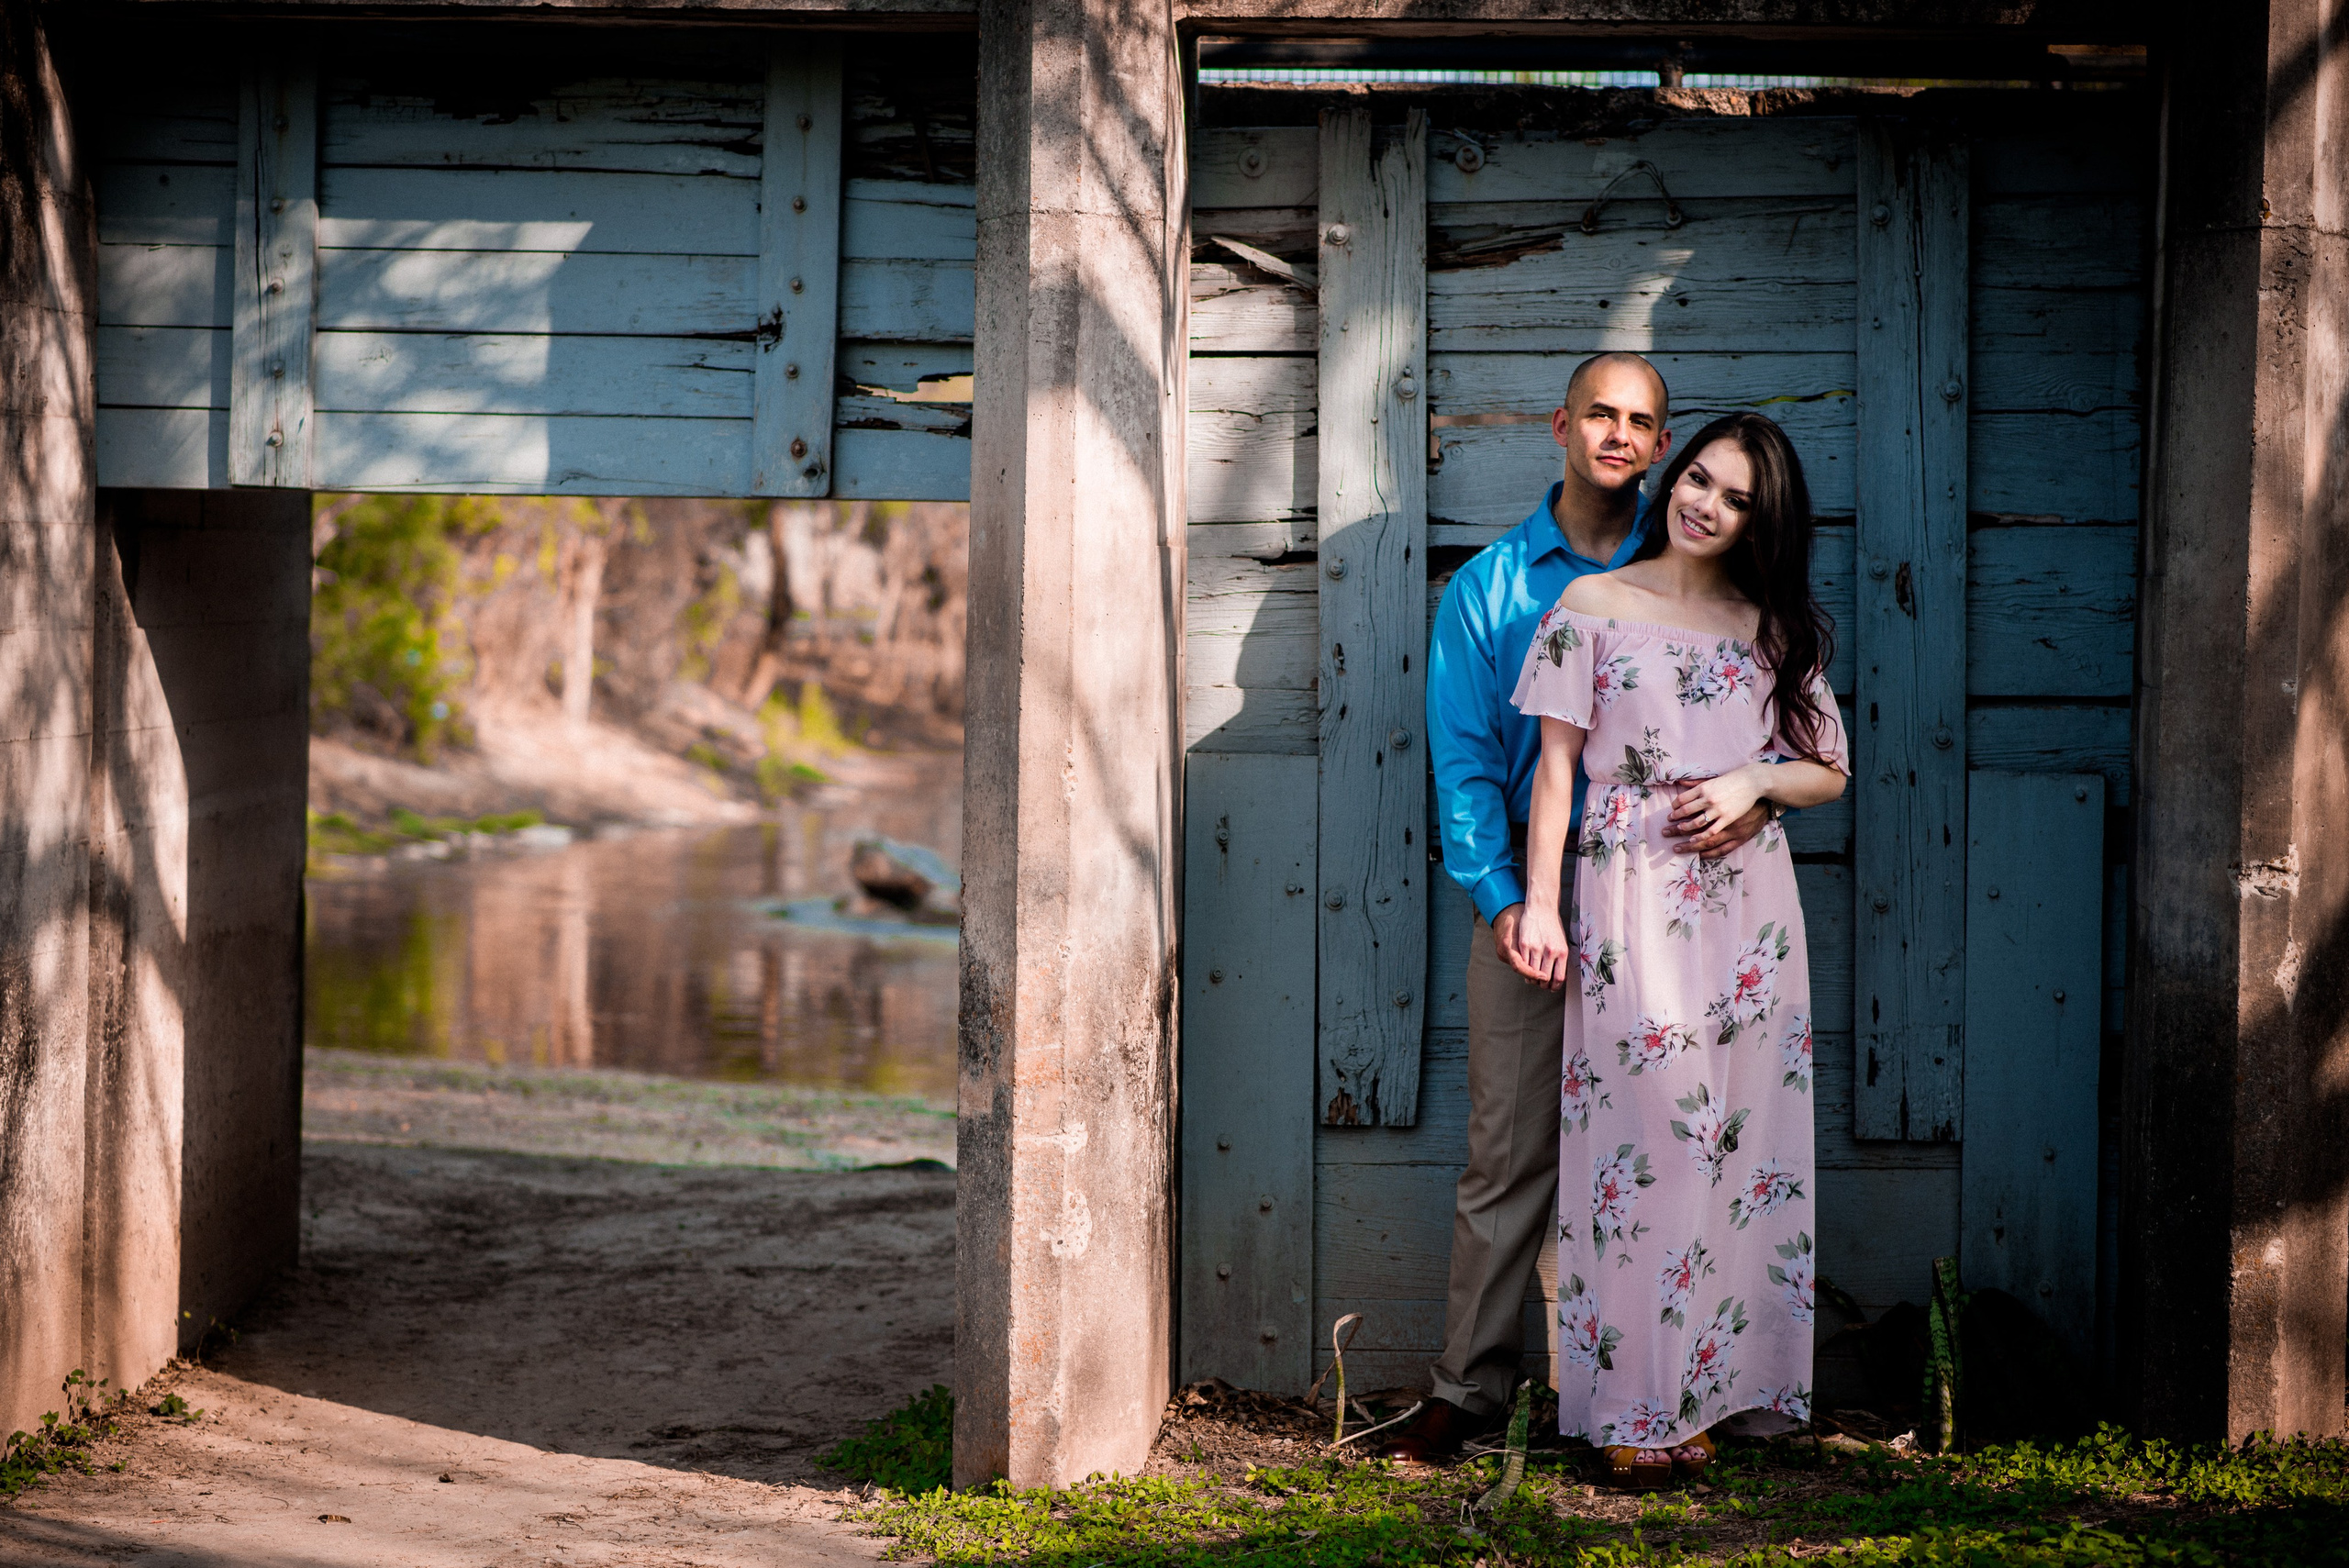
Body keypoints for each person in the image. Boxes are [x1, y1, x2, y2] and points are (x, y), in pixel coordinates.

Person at [1377, 355, 1773, 1464]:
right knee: (1507, 1150)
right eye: (1599, 412)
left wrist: (1746, 797)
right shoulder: (1492, 587)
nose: (1617, 434)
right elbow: (1462, 763)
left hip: (1674, 901)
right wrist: (1506, 899)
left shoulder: (1692, 561)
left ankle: (1669, 1390)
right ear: (1561, 424)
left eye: (1640, 421)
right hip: (1535, 896)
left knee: (1674, 1137)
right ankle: (1469, 1384)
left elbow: (1762, 718)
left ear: (1660, 447)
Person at [1512, 411, 1849, 1487]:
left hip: (1747, 912)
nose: (1705, 502)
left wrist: (1756, 779)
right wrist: (1539, 904)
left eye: (1735, 494)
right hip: (1629, 893)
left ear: (1763, 518)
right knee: (1644, 1139)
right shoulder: (1594, 603)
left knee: (1734, 1146)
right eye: (1698, 477)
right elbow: (1558, 771)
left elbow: (1827, 768)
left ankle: (1706, 1387)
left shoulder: (1768, 626)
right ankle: (1632, 1398)